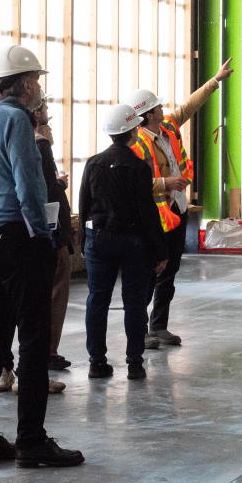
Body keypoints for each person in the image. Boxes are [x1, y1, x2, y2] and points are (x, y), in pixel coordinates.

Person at [0, 44, 84, 468]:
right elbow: (30, 189)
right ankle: (31, 440)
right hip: (17, 237)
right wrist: (41, 234)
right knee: (33, 339)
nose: (39, 89)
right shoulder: (17, 120)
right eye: (38, 81)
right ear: (26, 83)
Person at [124, 59, 233, 349]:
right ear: (147, 115)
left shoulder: (168, 127)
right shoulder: (134, 144)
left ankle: (158, 326)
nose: (163, 109)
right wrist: (164, 184)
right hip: (155, 215)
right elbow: (130, 186)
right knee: (150, 271)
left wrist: (215, 80)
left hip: (178, 209)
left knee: (169, 271)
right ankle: (141, 331)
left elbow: (188, 107)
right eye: (158, 107)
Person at [77, 104, 169, 380]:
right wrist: (160, 250)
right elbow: (147, 211)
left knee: (97, 300)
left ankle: (96, 362)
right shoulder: (138, 166)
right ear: (132, 132)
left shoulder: (93, 163)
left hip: (100, 239)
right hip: (133, 242)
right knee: (135, 302)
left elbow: (83, 206)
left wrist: (84, 242)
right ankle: (135, 363)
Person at [0, 100, 73, 394]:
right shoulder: (38, 145)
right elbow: (40, 192)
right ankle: (37, 369)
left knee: (2, 308)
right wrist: (47, 235)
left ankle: (4, 370)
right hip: (34, 233)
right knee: (38, 306)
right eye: (44, 111)